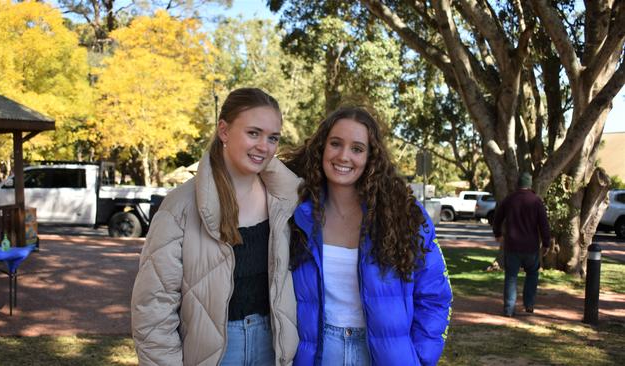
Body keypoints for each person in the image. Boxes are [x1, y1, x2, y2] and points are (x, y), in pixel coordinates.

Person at [131, 88, 300, 366]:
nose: (264, 146)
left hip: (273, 346)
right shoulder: (180, 206)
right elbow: (154, 307)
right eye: (253, 133)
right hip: (213, 353)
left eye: (273, 138)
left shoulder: (286, 200)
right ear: (224, 130)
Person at [282, 107, 453, 366]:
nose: (344, 156)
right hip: (318, 352)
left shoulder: (404, 213)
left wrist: (419, 357)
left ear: (371, 157)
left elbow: (435, 294)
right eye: (335, 144)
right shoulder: (296, 212)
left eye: (357, 149)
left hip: (385, 356)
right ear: (321, 148)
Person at [493, 172, 551, 317]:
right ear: (530, 185)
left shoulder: (509, 199)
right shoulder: (536, 201)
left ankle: (508, 309)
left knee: (511, 277)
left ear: (517, 184)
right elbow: (544, 225)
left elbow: (497, 218)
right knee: (532, 274)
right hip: (531, 247)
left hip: (512, 246)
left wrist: (498, 234)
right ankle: (529, 304)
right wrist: (546, 243)